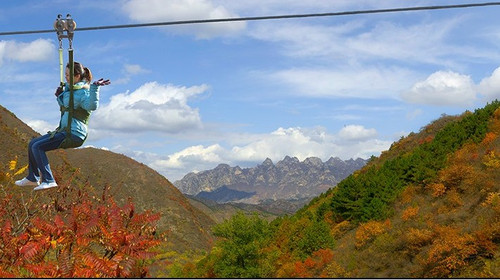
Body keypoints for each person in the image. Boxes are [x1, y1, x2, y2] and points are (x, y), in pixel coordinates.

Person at [15, 61, 110, 191]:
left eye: (68, 75)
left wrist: (95, 88)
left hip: (75, 133)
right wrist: (59, 95)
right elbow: (67, 107)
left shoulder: (83, 92)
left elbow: (92, 106)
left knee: (38, 147)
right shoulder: (70, 90)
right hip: (65, 130)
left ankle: (48, 180)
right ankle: (33, 177)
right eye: (65, 75)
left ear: (77, 76)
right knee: (32, 143)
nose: (65, 77)